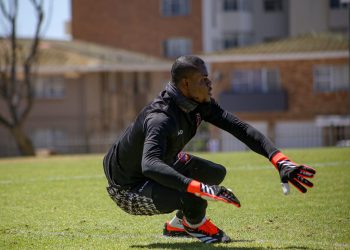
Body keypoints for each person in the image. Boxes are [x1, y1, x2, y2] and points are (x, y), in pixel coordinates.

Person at [103, 55, 316, 244]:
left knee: (215, 173)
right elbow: (149, 164)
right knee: (193, 196)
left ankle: (178, 225)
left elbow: (240, 128)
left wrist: (279, 160)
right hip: (127, 187)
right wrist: (199, 188)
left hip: (158, 166)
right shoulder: (161, 118)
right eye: (203, 79)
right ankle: (195, 224)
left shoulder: (198, 104)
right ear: (185, 84)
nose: (209, 83)